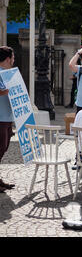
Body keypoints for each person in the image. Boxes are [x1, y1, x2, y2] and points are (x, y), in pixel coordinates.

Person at [0, 46, 16, 193]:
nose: (14, 59)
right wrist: (8, 91)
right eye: (13, 56)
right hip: (0, 118)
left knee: (3, 148)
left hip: (7, 118)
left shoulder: (8, 74)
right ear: (7, 59)